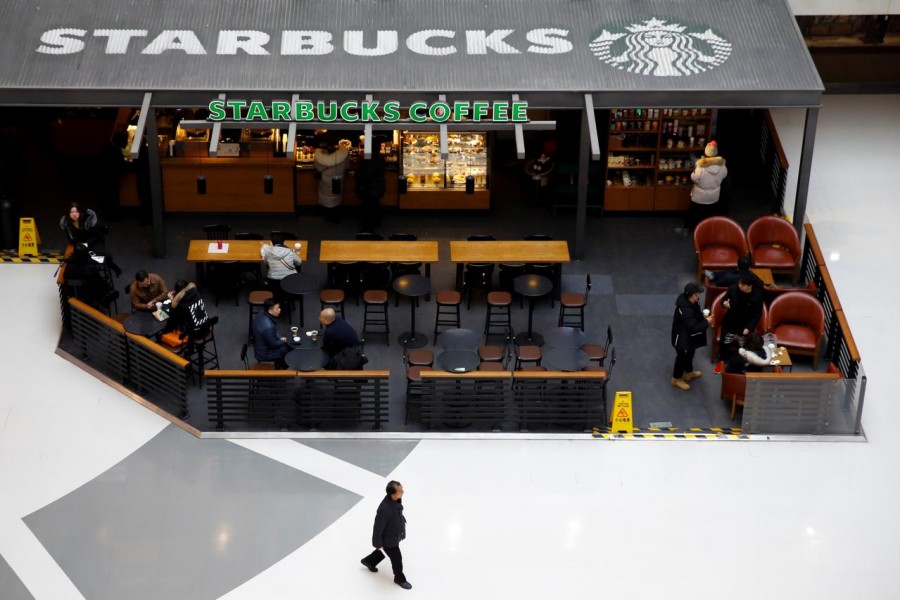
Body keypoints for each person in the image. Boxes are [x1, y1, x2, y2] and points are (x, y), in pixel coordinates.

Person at [360, 481, 411, 590]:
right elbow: (377, 528)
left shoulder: (395, 500)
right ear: (393, 495)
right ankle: (399, 578)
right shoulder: (384, 509)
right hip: (389, 540)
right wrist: (378, 543)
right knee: (397, 558)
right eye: (400, 491)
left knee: (383, 552)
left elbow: (397, 514)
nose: (403, 492)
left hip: (394, 535)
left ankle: (369, 561)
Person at [58, 201, 122, 277]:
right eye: (72, 212)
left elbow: (97, 236)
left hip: (94, 241)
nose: (74, 214)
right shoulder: (67, 224)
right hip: (81, 244)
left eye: (76, 211)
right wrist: (79, 245)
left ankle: (114, 267)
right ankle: (93, 274)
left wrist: (87, 244)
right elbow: (71, 239)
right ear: (68, 214)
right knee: (82, 259)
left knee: (105, 256)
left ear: (80, 212)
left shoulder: (87, 220)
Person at [671, 282, 713, 391]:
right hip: (681, 338)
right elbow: (693, 327)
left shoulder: (694, 301)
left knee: (690, 352)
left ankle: (688, 373)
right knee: (682, 357)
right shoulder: (685, 310)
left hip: (688, 336)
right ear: (693, 295)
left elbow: (696, 315)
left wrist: (703, 317)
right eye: (698, 294)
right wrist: (707, 322)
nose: (699, 296)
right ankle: (676, 378)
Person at [684, 141, 728, 233]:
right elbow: (724, 176)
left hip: (699, 196)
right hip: (714, 195)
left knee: (693, 211)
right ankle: (709, 230)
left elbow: (694, 178)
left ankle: (687, 228)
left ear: (706, 152)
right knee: (710, 213)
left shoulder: (701, 167)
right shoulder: (722, 166)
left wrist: (693, 171)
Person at [718, 273, 764, 354]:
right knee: (725, 342)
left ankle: (741, 359)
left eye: (743, 285)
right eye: (739, 283)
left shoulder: (757, 296)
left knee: (743, 346)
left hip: (745, 324)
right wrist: (724, 303)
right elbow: (723, 299)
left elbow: (757, 313)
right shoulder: (733, 289)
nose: (740, 285)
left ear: (750, 286)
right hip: (731, 321)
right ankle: (723, 357)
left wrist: (749, 327)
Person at [62, 244, 114, 309]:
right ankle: (104, 298)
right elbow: (97, 279)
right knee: (97, 283)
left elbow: (65, 277)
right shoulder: (89, 268)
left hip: (72, 291)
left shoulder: (69, 265)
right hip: (86, 290)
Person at [314, 136, 350, 223]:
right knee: (336, 197)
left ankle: (328, 216)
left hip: (325, 181)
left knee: (326, 197)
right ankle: (335, 217)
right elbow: (347, 166)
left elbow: (316, 167)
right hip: (338, 181)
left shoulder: (319, 156)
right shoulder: (343, 155)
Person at [251, 299, 291, 369]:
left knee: (281, 339)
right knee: (287, 348)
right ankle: (284, 369)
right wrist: (284, 340)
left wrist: (280, 338)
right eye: (277, 308)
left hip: (259, 345)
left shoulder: (262, 312)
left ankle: (280, 364)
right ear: (270, 311)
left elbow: (274, 333)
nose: (280, 310)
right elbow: (273, 345)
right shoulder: (268, 327)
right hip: (264, 353)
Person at [356, 144, 386, 232]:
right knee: (375, 205)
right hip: (378, 186)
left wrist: (358, 177)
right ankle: (377, 222)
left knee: (368, 207)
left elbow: (368, 175)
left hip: (370, 187)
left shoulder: (368, 160)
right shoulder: (380, 158)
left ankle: (369, 228)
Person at [705, 255, 769, 289]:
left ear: (738, 267)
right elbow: (761, 284)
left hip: (728, 295)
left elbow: (718, 284)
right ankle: (713, 275)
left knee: (728, 272)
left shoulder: (727, 277)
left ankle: (713, 275)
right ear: (749, 268)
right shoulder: (753, 277)